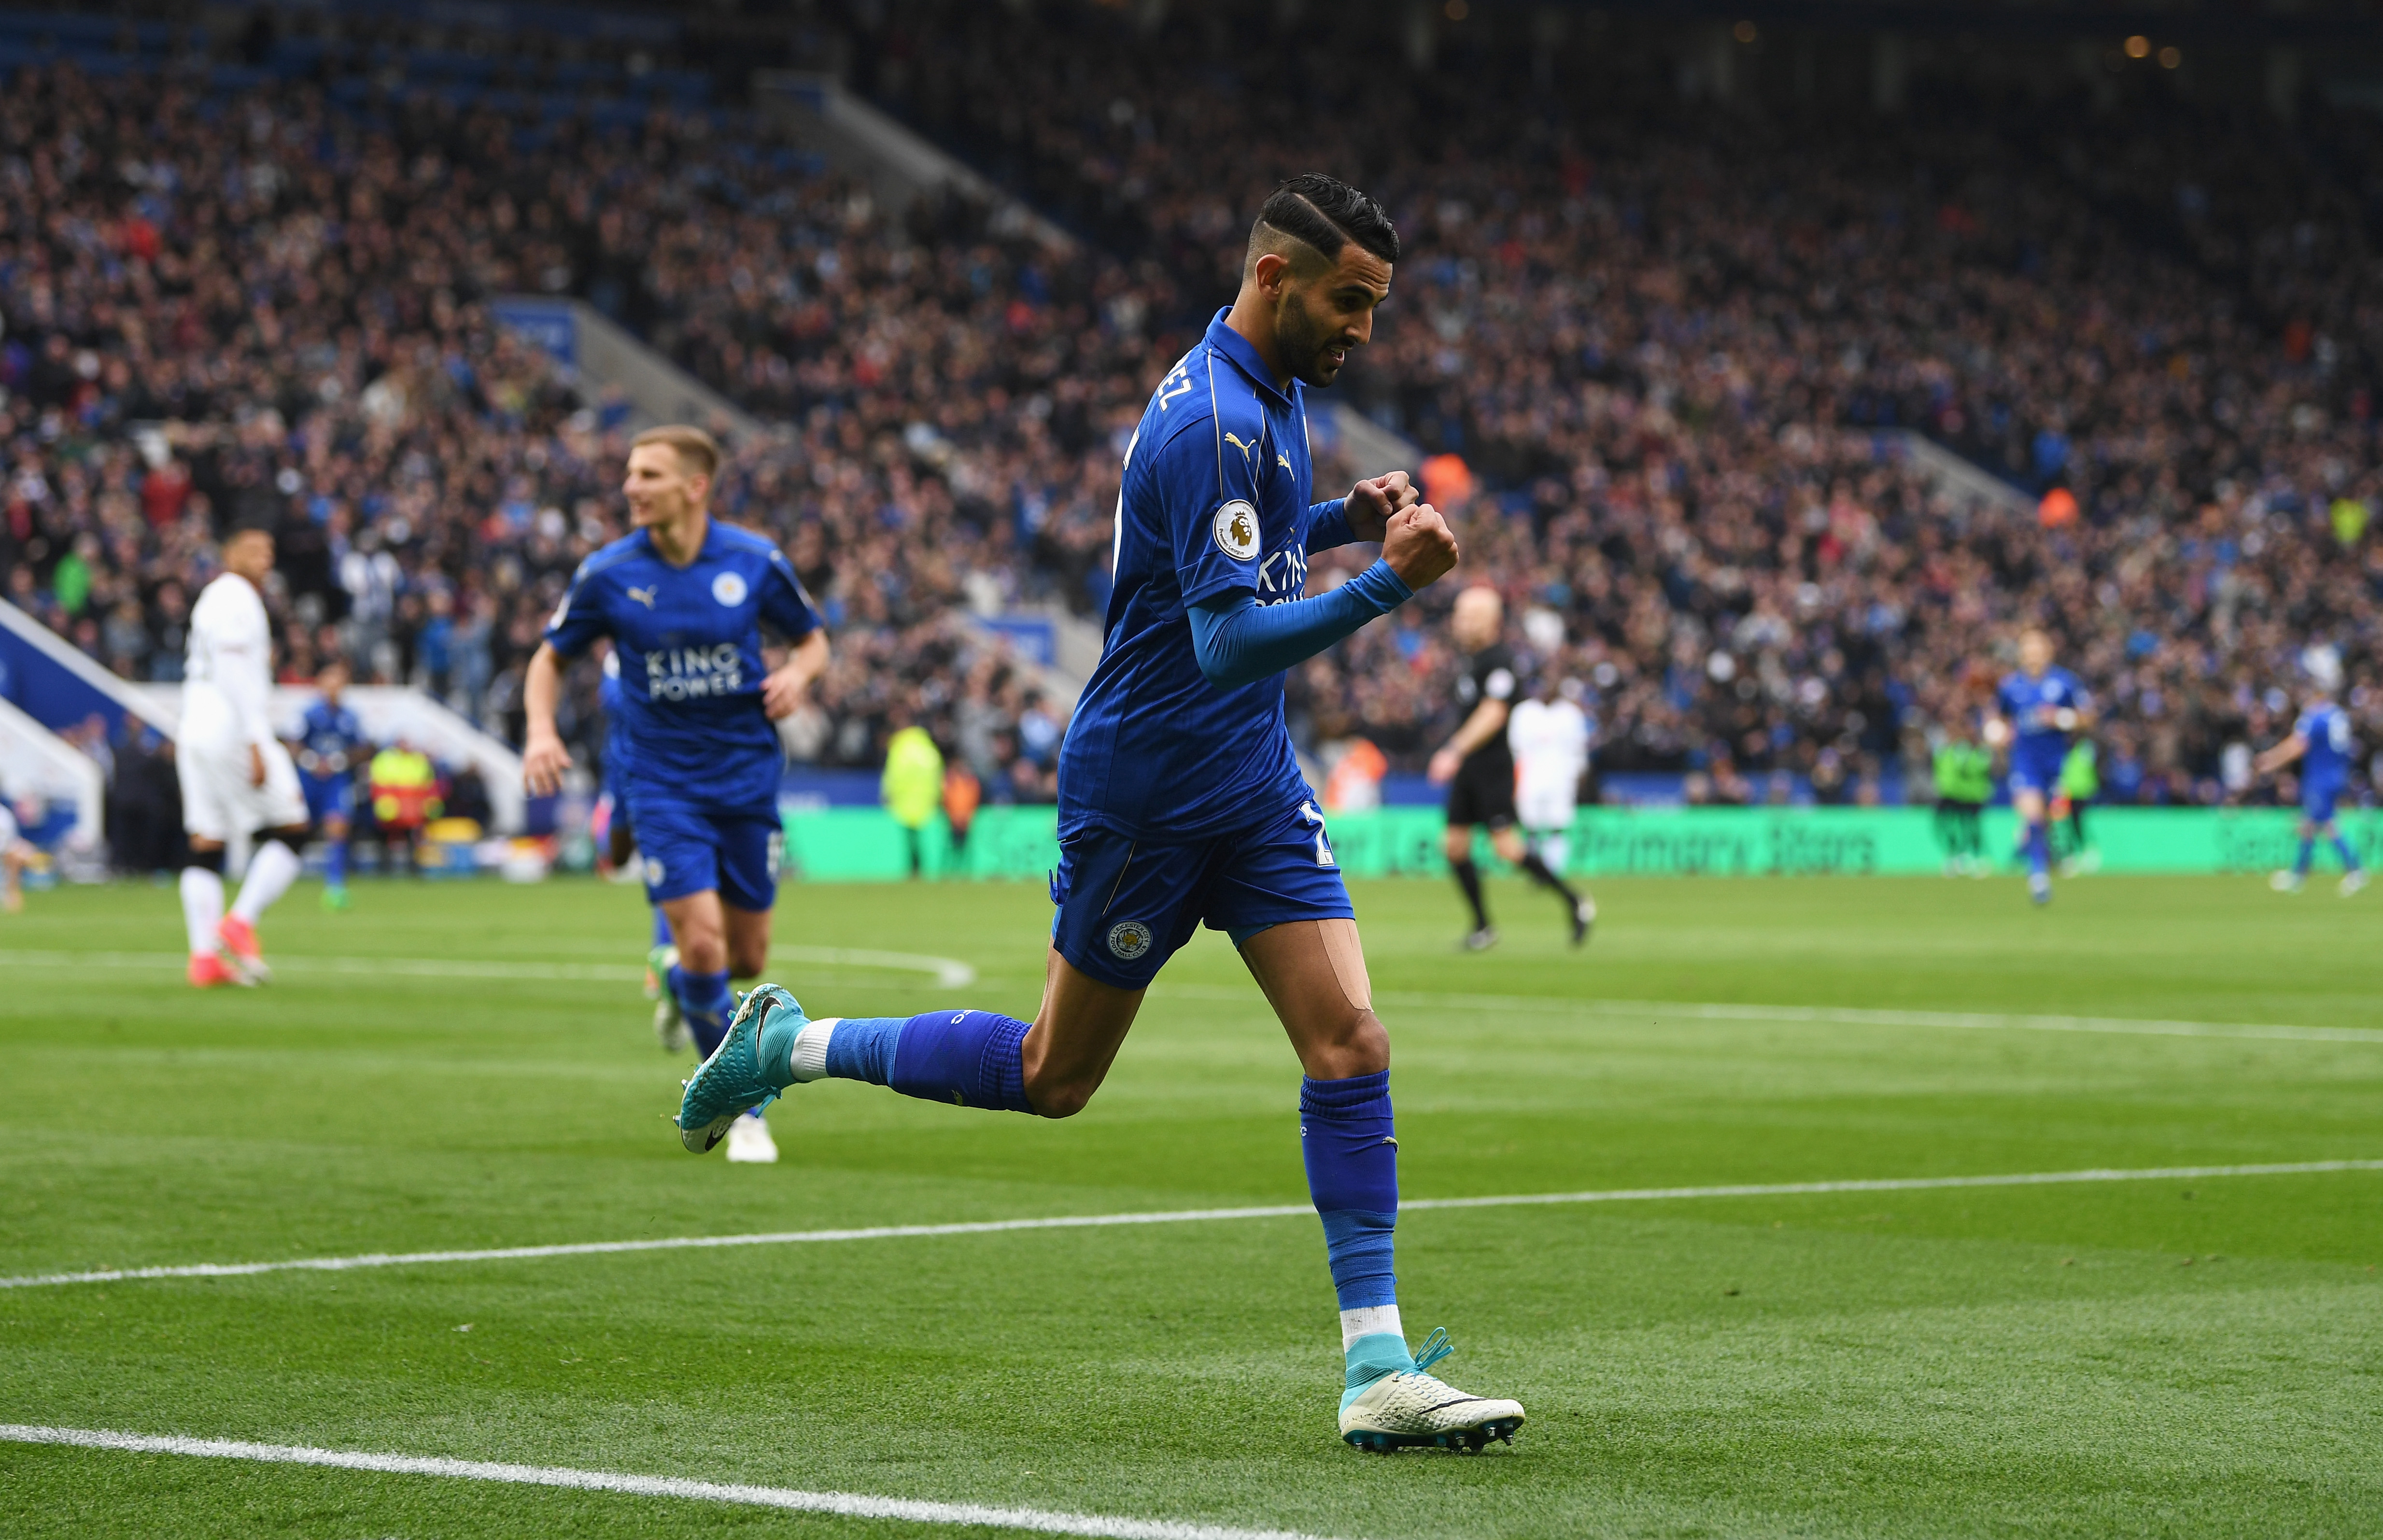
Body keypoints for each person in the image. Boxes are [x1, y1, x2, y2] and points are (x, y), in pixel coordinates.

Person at [673, 174, 1524, 1452]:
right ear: (1274, 278)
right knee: (1051, 1074)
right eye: (1350, 301)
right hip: (1147, 789)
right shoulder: (1212, 422)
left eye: (1377, 307)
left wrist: (1342, 522)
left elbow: (1234, 546)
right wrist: (1381, 588)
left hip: (1246, 781)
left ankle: (1375, 1364)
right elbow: (1228, 636)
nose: (1363, 330)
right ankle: (789, 1043)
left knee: (1349, 1041)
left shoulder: (1268, 394)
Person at [524, 424, 828, 1167]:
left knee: (746, 958)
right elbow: (549, 657)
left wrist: (798, 674)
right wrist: (539, 730)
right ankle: (740, 1106)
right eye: (630, 473)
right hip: (662, 784)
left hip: (747, 781)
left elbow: (813, 637)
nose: (631, 487)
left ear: (695, 487)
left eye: (649, 475)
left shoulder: (753, 561)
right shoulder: (608, 572)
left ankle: (676, 981)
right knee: (701, 942)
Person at [177, 522, 312, 986]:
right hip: (228, 728)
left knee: (207, 841)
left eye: (269, 549)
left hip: (195, 725)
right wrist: (256, 740)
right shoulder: (237, 597)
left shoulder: (215, 596)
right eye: (253, 548)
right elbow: (234, 669)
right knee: (293, 826)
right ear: (230, 554)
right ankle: (239, 921)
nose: (265, 557)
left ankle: (204, 959)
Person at [1427, 586, 1592, 949]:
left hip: (1491, 768)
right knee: (1454, 846)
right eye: (1459, 615)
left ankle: (1575, 901)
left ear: (1491, 622)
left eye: (1469, 616)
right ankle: (1483, 926)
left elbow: (1493, 713)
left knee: (1506, 847)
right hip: (1470, 768)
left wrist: (1453, 749)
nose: (1460, 623)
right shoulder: (1471, 660)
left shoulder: (1500, 661)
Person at [597, 644, 680, 1045]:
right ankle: (669, 963)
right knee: (641, 864)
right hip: (635, 774)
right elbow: (612, 700)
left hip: (676, 774)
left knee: (671, 871)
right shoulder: (623, 648)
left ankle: (669, 964)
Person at [1983, 627, 2092, 905]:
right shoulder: (2010, 686)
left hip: (2057, 763)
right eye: (2027, 648)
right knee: (2033, 815)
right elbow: (1997, 719)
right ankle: (2038, 877)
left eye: (2037, 648)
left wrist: (2061, 719)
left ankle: (2053, 854)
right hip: (2025, 761)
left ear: (2048, 651)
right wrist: (1997, 734)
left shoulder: (2065, 682)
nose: (2032, 654)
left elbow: (2088, 717)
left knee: (2049, 819)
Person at [2255, 647, 2367, 896]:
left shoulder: (2315, 716)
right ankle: (2300, 873)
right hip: (2336, 774)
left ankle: (2354, 869)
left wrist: (2271, 759)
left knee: (2327, 825)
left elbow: (2299, 745)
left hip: (2319, 777)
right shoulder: (2337, 715)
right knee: (2311, 823)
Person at [1506, 673, 1595, 938]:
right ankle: (1544, 877)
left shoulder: (1570, 714)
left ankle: (1553, 873)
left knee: (1557, 828)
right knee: (1530, 829)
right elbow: (1515, 749)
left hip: (1560, 780)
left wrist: (1577, 777)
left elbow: (1579, 751)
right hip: (1531, 781)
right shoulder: (1524, 713)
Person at [292, 659, 368, 910]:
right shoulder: (309, 714)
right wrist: (310, 760)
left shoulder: (350, 717)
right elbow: (291, 743)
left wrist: (340, 760)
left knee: (338, 828)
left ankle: (335, 886)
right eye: (330, 680)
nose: (335, 686)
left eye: (340, 681)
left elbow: (362, 748)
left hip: (336, 780)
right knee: (296, 829)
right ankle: (281, 877)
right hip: (309, 779)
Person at [367, 738, 441, 876]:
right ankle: (385, 870)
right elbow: (377, 783)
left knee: (413, 839)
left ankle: (414, 869)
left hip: (413, 807)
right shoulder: (385, 759)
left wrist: (429, 804)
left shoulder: (418, 760)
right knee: (385, 839)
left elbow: (428, 784)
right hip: (391, 807)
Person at [882, 718, 945, 879]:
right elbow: (937, 773)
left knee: (909, 837)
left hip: (904, 799)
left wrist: (887, 794)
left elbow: (893, 774)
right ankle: (926, 866)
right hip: (926, 799)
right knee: (924, 835)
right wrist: (937, 794)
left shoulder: (899, 748)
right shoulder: (928, 747)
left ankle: (913, 867)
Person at [1931, 726, 1992, 876]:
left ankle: (1973, 857)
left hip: (1969, 795)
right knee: (1945, 825)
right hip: (1950, 794)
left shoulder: (1976, 752)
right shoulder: (1946, 751)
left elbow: (1979, 771)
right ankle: (1956, 855)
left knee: (1971, 827)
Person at [2054, 737, 2100, 876]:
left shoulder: (2084, 748)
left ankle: (2084, 852)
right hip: (2067, 794)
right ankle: (2069, 856)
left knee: (2077, 824)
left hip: (2080, 794)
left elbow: (2087, 769)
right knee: (2065, 824)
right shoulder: (2066, 751)